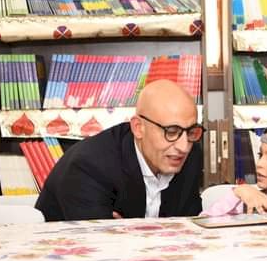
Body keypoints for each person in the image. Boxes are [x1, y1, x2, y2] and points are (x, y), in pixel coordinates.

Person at [36, 79, 203, 221]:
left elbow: (189, 228)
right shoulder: (89, 166)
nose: (184, 146)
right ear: (138, 128)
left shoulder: (191, 155)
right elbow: (98, 243)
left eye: (191, 132)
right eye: (171, 132)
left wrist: (127, 230)